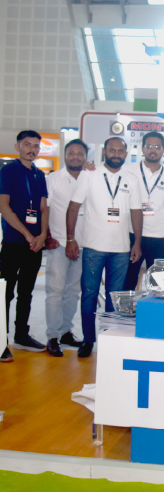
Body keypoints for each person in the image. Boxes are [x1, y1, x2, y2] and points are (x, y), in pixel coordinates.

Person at [66, 137, 142, 357]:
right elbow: (73, 207)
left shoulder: (131, 179)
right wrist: (71, 239)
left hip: (121, 249)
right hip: (93, 248)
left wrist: (137, 242)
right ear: (105, 152)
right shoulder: (89, 174)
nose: (116, 154)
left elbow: (136, 212)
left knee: (114, 297)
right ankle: (88, 340)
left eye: (120, 151)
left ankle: (109, 340)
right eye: (112, 150)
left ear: (125, 154)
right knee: (89, 295)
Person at [0, 130, 48, 362]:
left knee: (26, 292)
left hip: (34, 245)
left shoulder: (39, 175)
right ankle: (1, 341)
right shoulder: (8, 171)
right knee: (5, 293)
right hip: (13, 242)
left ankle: (21, 335)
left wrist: (43, 235)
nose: (32, 149)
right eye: (27, 144)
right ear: (17, 146)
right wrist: (28, 235)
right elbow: (4, 207)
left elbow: (43, 208)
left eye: (36, 146)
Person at [44, 139, 89, 357]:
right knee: (55, 291)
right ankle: (52, 336)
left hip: (84, 245)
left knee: (73, 292)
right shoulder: (53, 179)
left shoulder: (91, 177)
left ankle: (65, 332)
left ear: (86, 157)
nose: (75, 157)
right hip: (59, 243)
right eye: (71, 153)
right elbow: (45, 209)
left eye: (80, 154)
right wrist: (48, 236)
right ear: (65, 155)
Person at [123, 131, 164, 291]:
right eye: (149, 146)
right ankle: (127, 308)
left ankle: (155, 308)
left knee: (159, 285)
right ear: (143, 149)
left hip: (160, 237)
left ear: (163, 150)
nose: (153, 150)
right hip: (132, 233)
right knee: (128, 280)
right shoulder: (128, 170)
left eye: (157, 147)